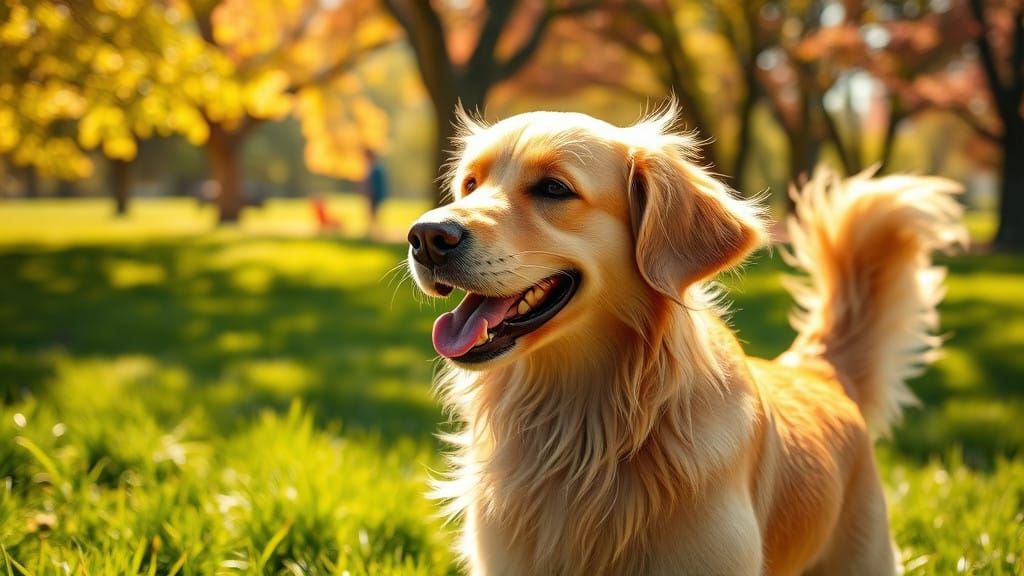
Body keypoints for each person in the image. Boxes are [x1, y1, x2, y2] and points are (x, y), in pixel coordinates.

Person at [361, 149, 388, 239]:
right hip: (375, 195)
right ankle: (373, 230)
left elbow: (372, 184)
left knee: (373, 213)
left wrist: (369, 193)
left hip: (375, 195)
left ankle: (374, 231)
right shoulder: (375, 169)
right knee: (373, 214)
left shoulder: (375, 169)